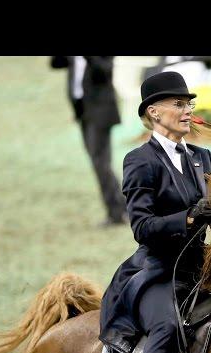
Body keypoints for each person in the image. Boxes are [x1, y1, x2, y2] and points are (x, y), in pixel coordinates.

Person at [97, 71, 211, 353]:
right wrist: (190, 218)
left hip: (201, 269)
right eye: (179, 105)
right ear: (154, 112)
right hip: (158, 272)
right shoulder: (140, 161)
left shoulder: (202, 157)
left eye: (189, 104)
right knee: (166, 326)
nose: (187, 111)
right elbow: (143, 227)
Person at [50, 56, 127, 226]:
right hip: (83, 112)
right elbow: (55, 63)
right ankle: (123, 207)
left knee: (101, 163)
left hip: (101, 112)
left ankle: (116, 212)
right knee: (99, 162)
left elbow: (104, 71)